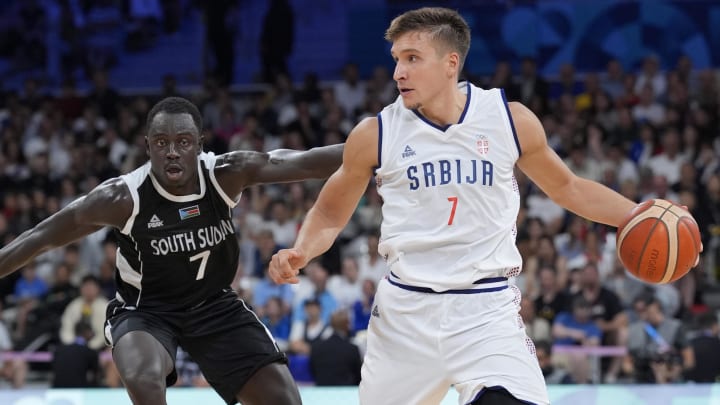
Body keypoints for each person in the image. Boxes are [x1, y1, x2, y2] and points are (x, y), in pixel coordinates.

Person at [269, 7, 700, 405]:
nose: (399, 71)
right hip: (404, 314)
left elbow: (568, 187)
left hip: (484, 309)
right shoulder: (376, 133)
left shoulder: (508, 119)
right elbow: (329, 212)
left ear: (450, 63)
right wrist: (301, 250)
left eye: (413, 58)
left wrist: (636, 216)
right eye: (397, 59)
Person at [0, 96, 343, 405]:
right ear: (148, 146)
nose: (173, 151)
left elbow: (305, 162)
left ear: (199, 145)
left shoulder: (225, 174)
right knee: (143, 378)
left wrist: (379, 148)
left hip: (215, 306)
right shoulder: (121, 198)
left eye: (183, 142)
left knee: (285, 400)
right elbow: (39, 237)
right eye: (162, 143)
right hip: (146, 311)